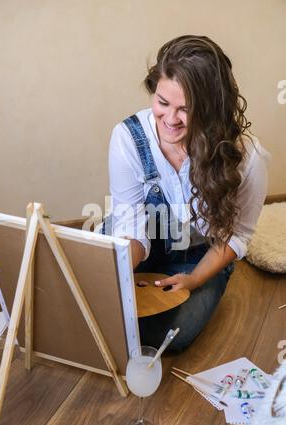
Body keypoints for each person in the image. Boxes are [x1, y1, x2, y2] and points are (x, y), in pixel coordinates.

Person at [103, 35, 269, 351]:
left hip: (198, 257)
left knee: (170, 335)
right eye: (162, 103)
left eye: (186, 110)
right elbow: (129, 224)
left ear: (212, 110)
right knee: (99, 307)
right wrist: (118, 271)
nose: (169, 120)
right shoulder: (129, 137)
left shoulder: (248, 158)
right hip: (139, 241)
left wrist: (194, 281)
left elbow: (237, 236)